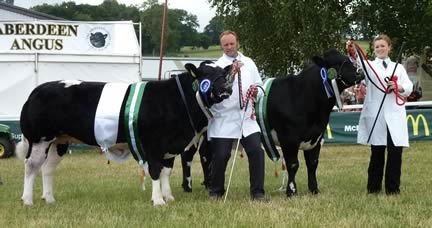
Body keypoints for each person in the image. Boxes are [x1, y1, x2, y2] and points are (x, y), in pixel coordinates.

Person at [347, 35, 413, 195]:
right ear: (374, 49)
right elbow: (357, 62)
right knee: (377, 153)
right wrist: (352, 49)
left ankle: (393, 189)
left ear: (389, 47)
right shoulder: (369, 66)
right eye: (377, 47)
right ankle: (374, 188)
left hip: (395, 116)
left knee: (395, 153)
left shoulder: (398, 67)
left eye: (382, 46)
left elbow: (408, 86)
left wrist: (398, 87)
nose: (380, 49)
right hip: (377, 114)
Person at [207, 30, 266, 201]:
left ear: (237, 43)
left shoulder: (249, 63)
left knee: (256, 151)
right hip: (224, 119)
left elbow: (260, 85)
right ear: (221, 46)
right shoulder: (216, 67)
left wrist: (256, 92)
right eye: (225, 45)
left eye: (232, 44)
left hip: (247, 118)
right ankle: (216, 191)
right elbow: (216, 93)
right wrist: (231, 74)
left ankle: (257, 193)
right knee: (221, 155)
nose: (229, 47)